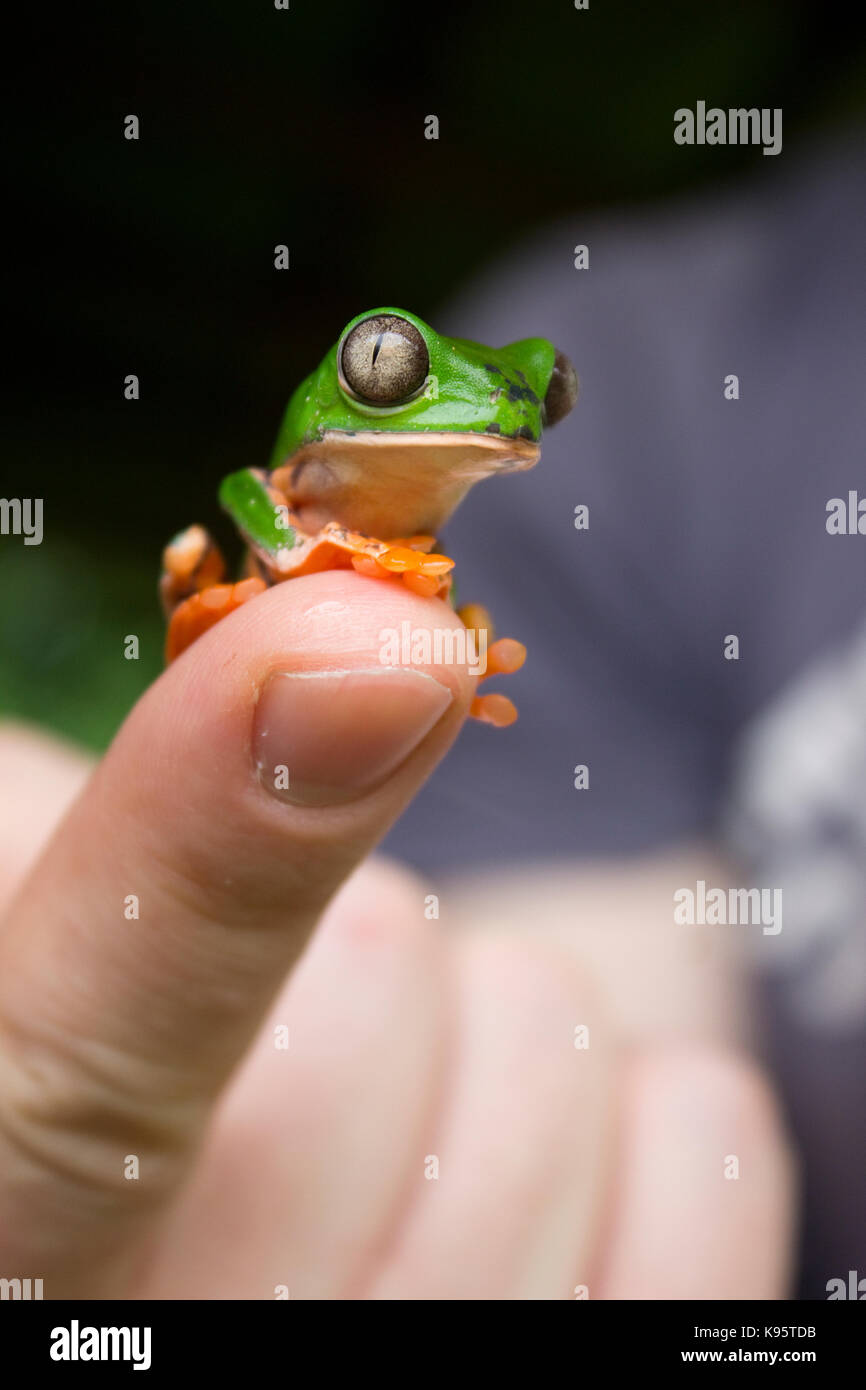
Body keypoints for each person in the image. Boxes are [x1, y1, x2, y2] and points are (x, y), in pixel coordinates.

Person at [3, 128, 859, 1300]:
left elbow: (632, 1106)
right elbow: (570, 1012)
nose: (527, 414)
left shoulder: (621, 411)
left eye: (538, 398)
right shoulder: (667, 367)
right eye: (394, 367)